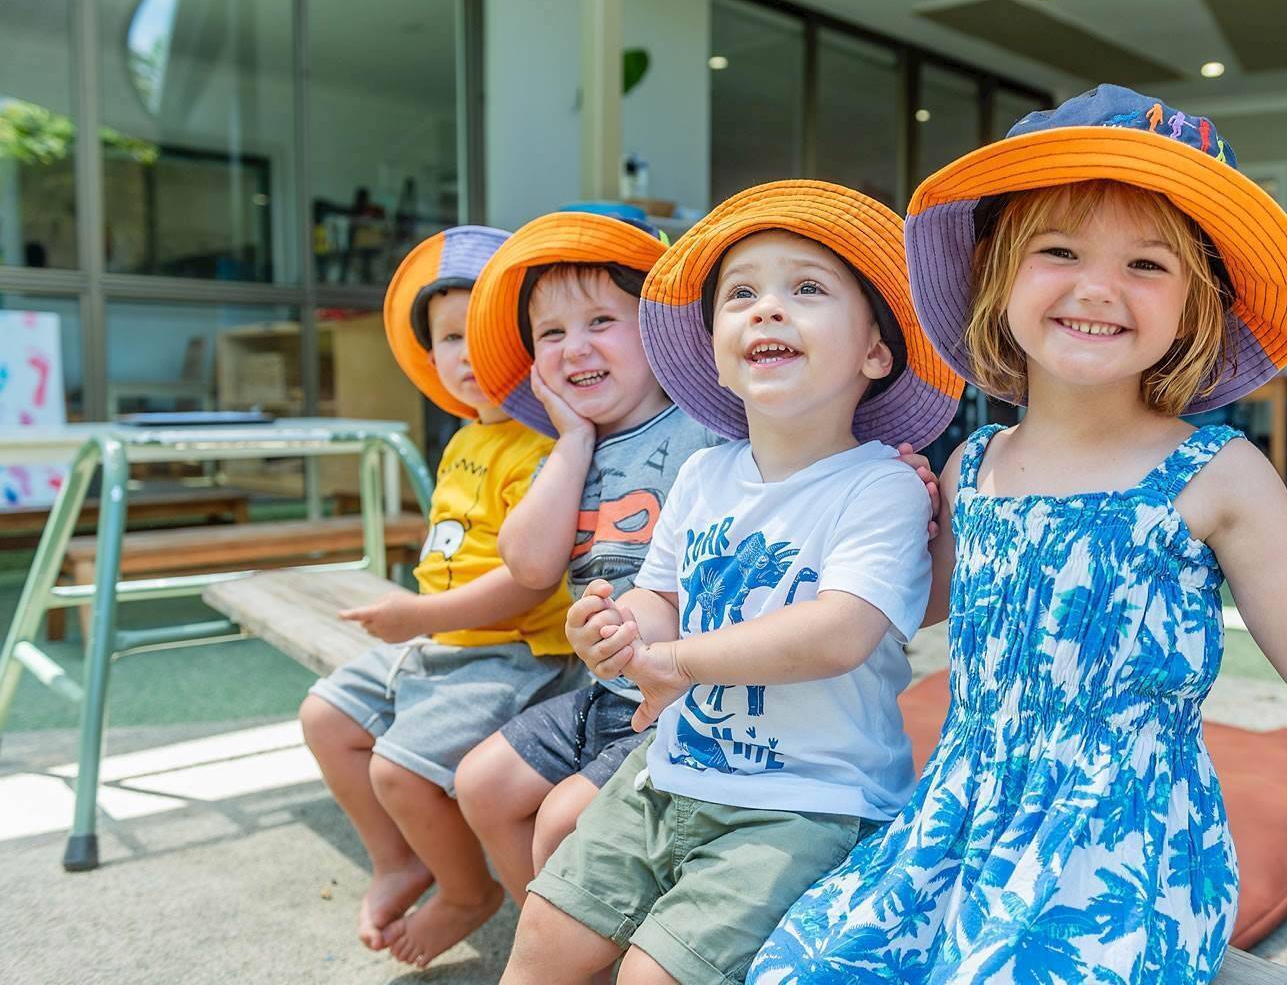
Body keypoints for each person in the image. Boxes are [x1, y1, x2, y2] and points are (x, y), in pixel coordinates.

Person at [750, 85, 1287, 984]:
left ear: (1197, 304)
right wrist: (846, 505)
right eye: (1059, 250)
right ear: (997, 273)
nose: (1097, 288)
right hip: (955, 827)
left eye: (1148, 265)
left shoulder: (1217, 476)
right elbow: (890, 614)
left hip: (1122, 855)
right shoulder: (975, 467)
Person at [500, 180, 963, 985]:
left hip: (807, 804)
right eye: (741, 294)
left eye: (807, 289)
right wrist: (622, 629)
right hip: (669, 773)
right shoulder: (706, 474)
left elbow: (839, 631)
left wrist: (676, 663)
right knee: (544, 935)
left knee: (657, 975)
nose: (767, 309)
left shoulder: (880, 486)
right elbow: (663, 595)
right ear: (717, 344)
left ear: (875, 353)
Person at [297, 225, 580, 969]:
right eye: (449, 340)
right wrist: (418, 624)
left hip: (512, 655)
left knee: (400, 768)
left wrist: (414, 616)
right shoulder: (464, 439)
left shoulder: (541, 445)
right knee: (325, 717)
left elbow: (527, 582)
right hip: (437, 647)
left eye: (484, 335)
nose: (466, 356)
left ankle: (465, 891)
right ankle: (399, 861)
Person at [453, 210, 723, 910]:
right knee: (481, 784)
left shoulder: (707, 422)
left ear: (659, 330)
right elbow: (530, 565)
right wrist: (571, 439)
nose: (575, 349)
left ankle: (569, 951)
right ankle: (556, 950)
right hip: (604, 692)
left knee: (562, 821)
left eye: (602, 321)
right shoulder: (567, 453)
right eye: (551, 334)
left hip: (687, 697)